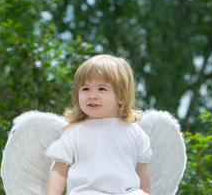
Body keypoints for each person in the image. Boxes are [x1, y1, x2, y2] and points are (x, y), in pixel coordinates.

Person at [45, 54, 152, 195]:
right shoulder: (75, 132)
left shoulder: (134, 131)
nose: (92, 95)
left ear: (121, 96)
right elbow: (59, 172)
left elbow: (141, 171)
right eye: (85, 89)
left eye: (101, 89)